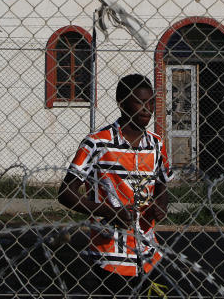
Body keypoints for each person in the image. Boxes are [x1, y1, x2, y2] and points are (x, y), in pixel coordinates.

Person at [58, 74, 173, 297]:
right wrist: (108, 211)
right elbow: (66, 193)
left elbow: (162, 184)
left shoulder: (156, 144)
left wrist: (161, 204)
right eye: (139, 102)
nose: (146, 109)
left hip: (148, 250)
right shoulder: (98, 143)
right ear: (122, 103)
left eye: (150, 102)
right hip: (109, 250)